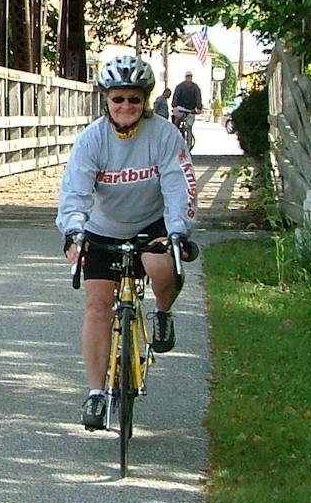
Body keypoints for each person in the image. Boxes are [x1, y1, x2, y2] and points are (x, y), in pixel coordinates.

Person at [57, 54, 197, 430]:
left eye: (134, 99)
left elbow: (177, 184)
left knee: (161, 264)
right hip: (104, 227)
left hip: (152, 223)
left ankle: (163, 313)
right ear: (106, 100)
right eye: (118, 99)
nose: (126, 106)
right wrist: (73, 230)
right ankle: (96, 394)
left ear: (145, 101)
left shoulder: (164, 134)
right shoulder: (93, 139)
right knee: (97, 305)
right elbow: (75, 191)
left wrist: (178, 229)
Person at [171, 71, 204, 139]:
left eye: (190, 76)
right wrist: (174, 106)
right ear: (185, 77)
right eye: (188, 76)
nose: (189, 78)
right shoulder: (180, 86)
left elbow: (198, 97)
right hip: (181, 108)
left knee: (189, 126)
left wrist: (199, 107)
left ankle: (189, 141)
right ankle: (174, 134)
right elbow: (176, 96)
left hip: (191, 109)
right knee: (177, 120)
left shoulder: (195, 87)